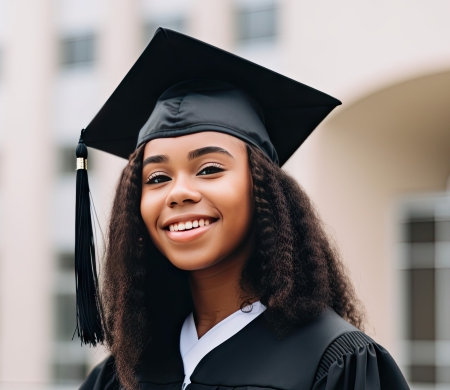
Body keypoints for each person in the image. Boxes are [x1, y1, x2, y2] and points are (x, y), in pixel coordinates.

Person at [72, 29, 409, 390]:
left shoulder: (335, 363)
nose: (179, 192)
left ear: (264, 190)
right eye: (156, 177)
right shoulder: (118, 376)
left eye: (209, 169)